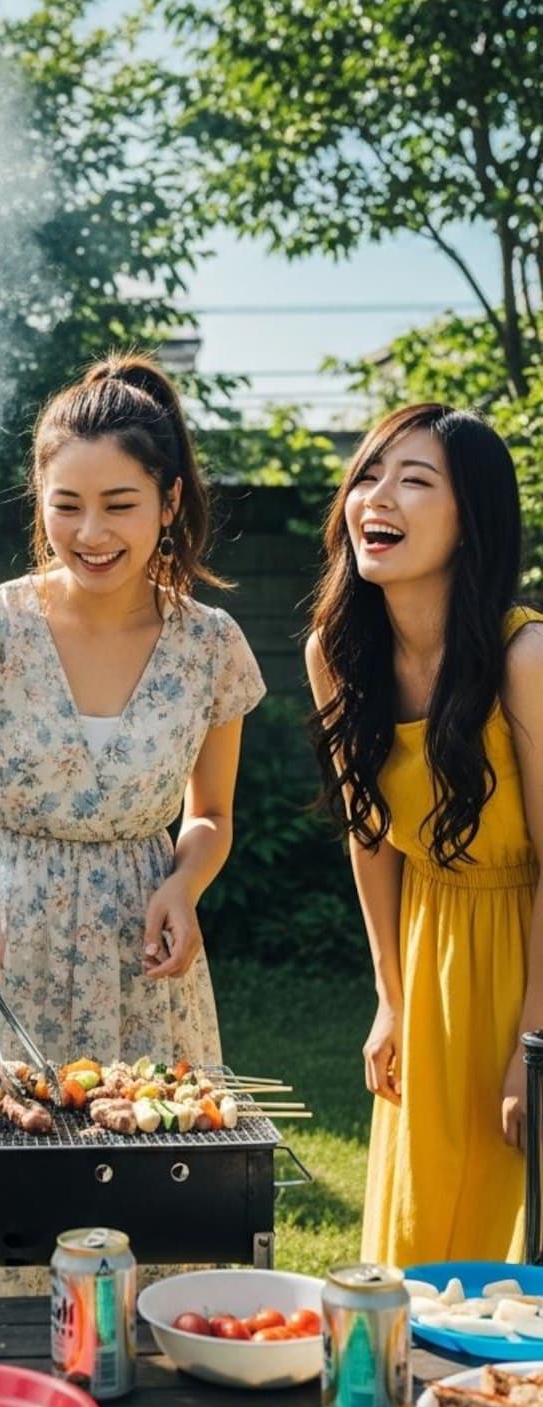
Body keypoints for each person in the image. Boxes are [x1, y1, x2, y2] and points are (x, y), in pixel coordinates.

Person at [0, 354, 265, 1297]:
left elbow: (209, 816)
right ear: (40, 498)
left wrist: (185, 882)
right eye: (66, 503)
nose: (90, 532)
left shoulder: (213, 645)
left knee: (147, 1218)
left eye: (120, 503)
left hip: (142, 966)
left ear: (169, 501)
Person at [305, 404, 543, 1267]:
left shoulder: (526, 659)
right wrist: (392, 996)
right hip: (431, 945)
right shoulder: (336, 651)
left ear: (470, 518)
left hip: (533, 957)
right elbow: (372, 837)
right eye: (369, 474)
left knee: (514, 1248)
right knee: (415, 1245)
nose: (380, 497)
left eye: (415, 480)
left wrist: (535, 1046)